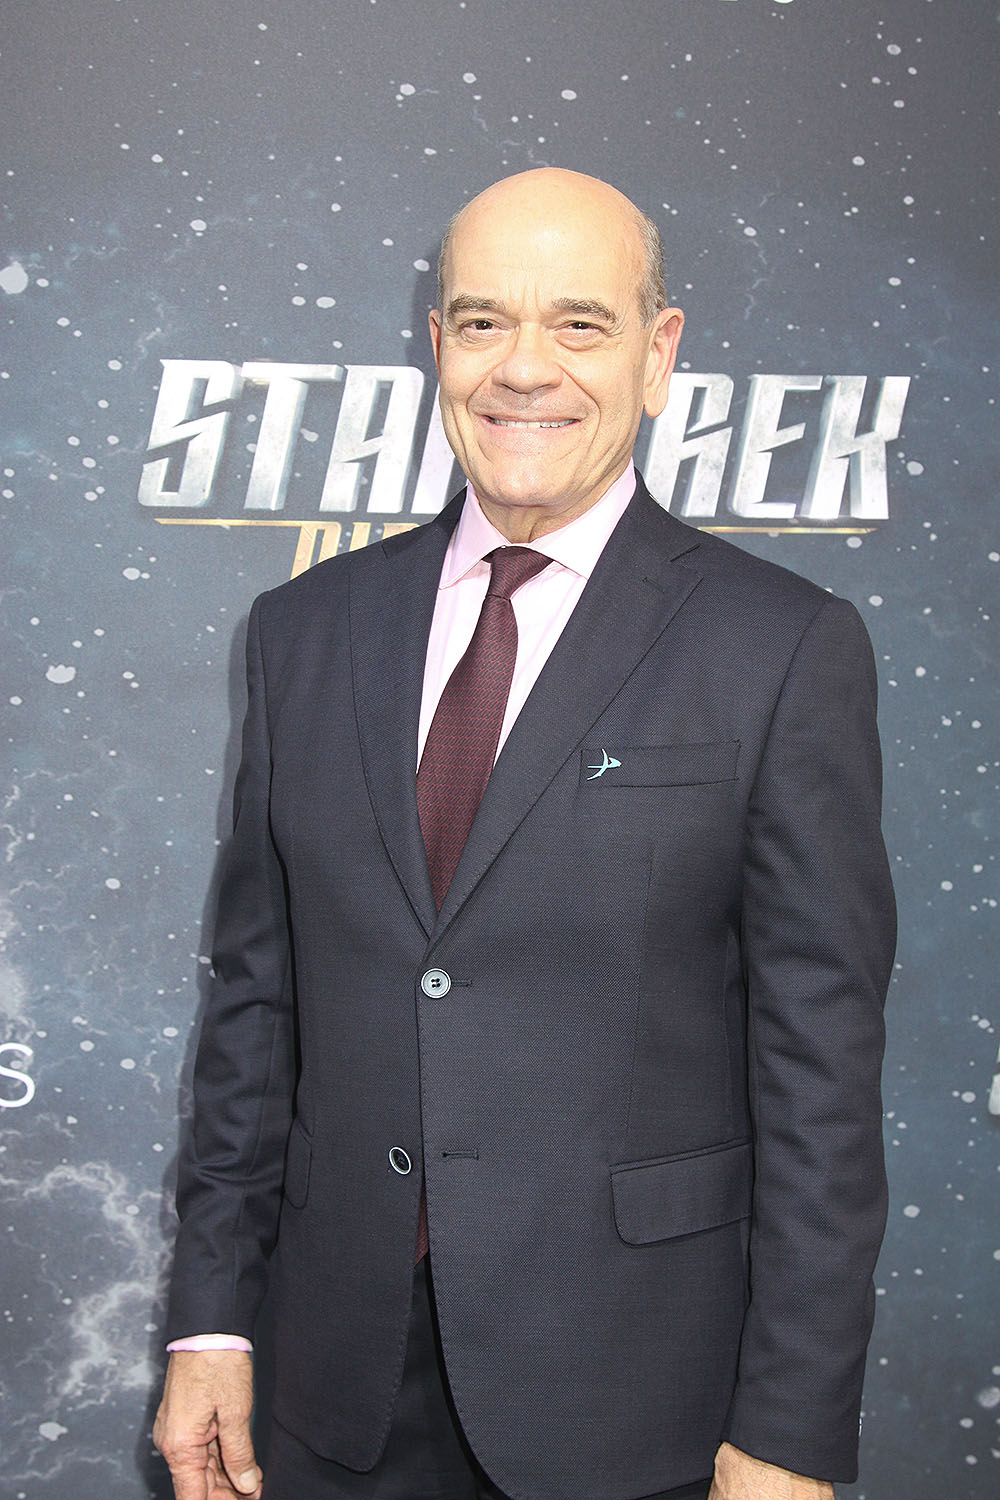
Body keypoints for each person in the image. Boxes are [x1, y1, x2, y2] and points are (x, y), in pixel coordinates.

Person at [154, 168, 895, 1500]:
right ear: (437, 344)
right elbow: (255, 1022)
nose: (524, 369)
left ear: (658, 356)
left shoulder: (780, 648)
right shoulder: (303, 633)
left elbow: (821, 1085)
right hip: (332, 1396)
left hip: (636, 1407)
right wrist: (212, 1324)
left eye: (580, 324)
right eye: (485, 321)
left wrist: (790, 1431)